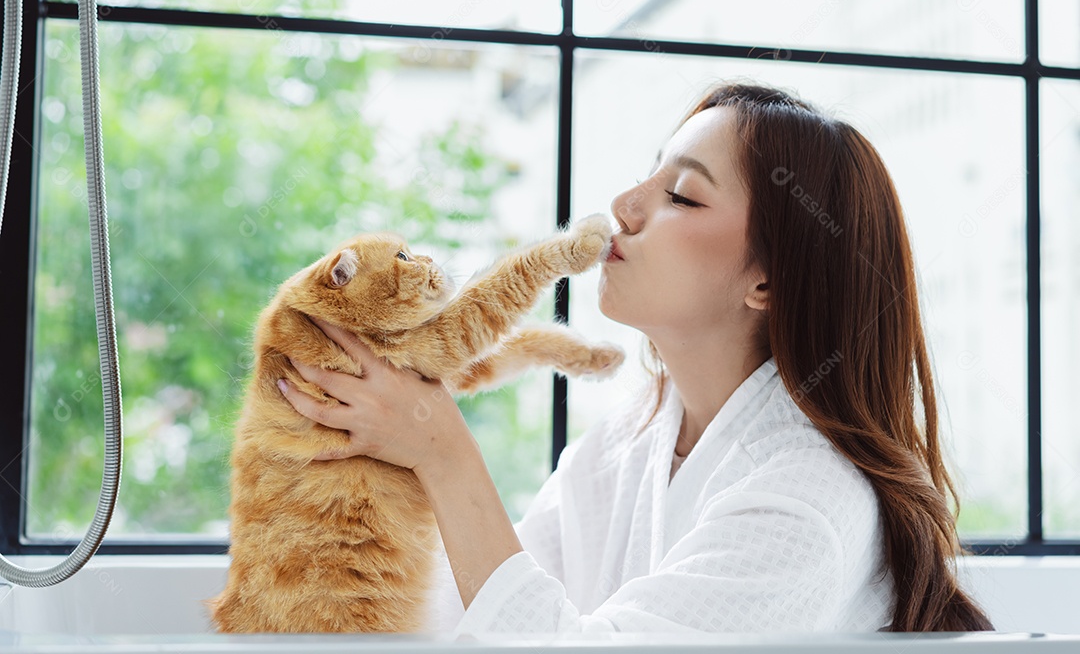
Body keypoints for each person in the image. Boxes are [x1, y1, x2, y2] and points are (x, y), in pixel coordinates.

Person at [277, 82, 994, 633]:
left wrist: (442, 451)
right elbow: (472, 610)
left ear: (767, 281)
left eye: (681, 195)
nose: (622, 205)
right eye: (651, 174)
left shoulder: (804, 504)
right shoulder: (630, 443)